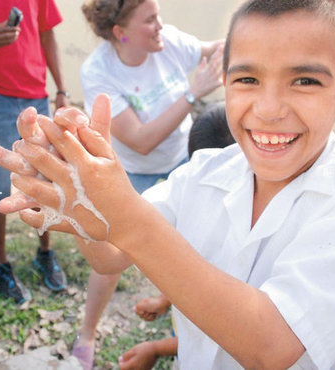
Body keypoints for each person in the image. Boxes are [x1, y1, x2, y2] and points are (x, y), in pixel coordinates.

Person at [0, 0, 335, 368]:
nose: (269, 108)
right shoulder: (203, 172)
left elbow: (271, 346)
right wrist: (80, 198)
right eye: (248, 79)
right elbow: (110, 256)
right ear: (225, 80)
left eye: (305, 81)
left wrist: (123, 215)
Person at [73, 0, 223, 367]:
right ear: (121, 33)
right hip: (133, 170)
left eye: (159, 15)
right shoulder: (99, 72)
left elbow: (216, 48)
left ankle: (171, 307)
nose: (161, 26)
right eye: (150, 20)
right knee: (111, 257)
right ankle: (87, 336)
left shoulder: (168, 41)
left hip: (183, 159)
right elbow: (139, 140)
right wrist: (193, 93)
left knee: (192, 242)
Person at [119, 102, 234, 369]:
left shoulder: (237, 242)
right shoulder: (194, 207)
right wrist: (165, 300)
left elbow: (219, 336)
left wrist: (157, 349)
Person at [0, 0, 69, 304]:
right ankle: (2, 265)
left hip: (37, 95)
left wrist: (62, 89)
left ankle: (45, 252)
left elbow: (47, 34)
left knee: (43, 181)